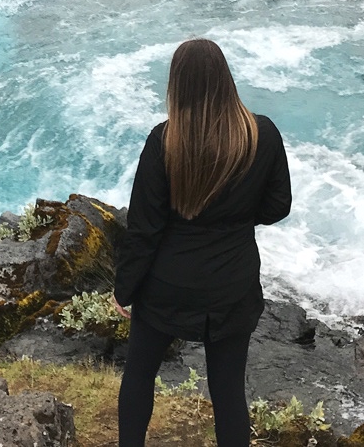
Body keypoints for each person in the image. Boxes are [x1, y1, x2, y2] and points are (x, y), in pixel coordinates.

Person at [114, 38, 291, 447]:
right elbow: (278, 205)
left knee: (139, 375)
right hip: (233, 283)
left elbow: (144, 227)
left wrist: (125, 288)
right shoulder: (260, 134)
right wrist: (237, 219)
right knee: (229, 393)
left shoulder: (164, 141)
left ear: (178, 86)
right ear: (225, 79)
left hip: (167, 286)